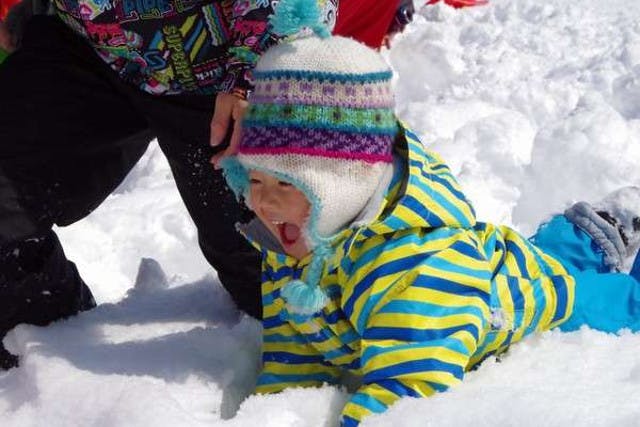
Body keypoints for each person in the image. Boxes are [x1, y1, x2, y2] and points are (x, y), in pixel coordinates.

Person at [219, 3, 640, 426]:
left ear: (344, 183)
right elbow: (296, 348)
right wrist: (279, 409)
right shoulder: (290, 233)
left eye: (287, 183)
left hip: (532, 306)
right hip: (492, 263)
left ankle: (593, 241)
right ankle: (592, 232)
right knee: (536, 260)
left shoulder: (416, 268)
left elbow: (407, 391)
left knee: (602, 298)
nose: (265, 204)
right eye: (254, 181)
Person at [0, 0, 341, 370]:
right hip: (96, 48)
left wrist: (263, 69)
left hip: (229, 70)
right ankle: (50, 360)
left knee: (277, 275)